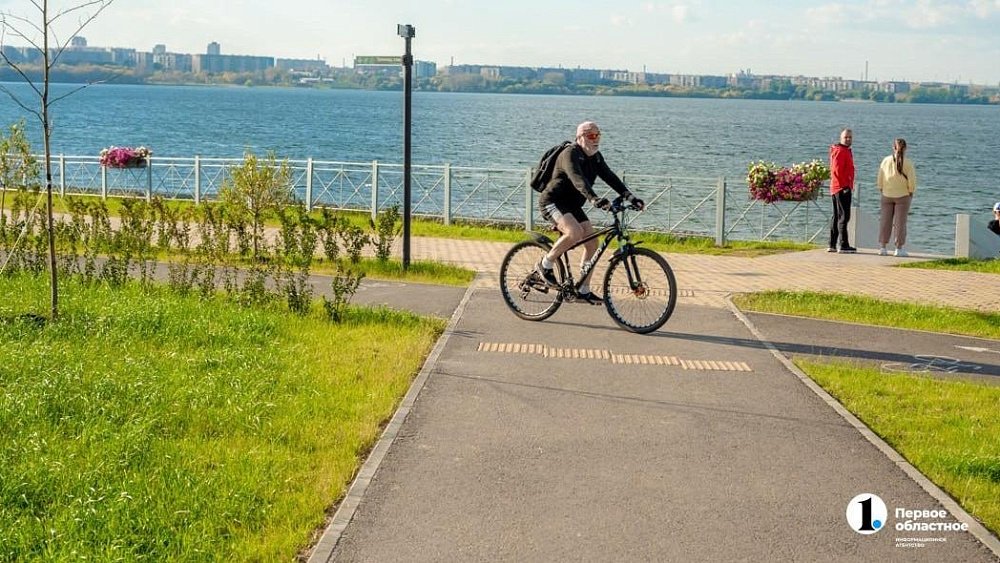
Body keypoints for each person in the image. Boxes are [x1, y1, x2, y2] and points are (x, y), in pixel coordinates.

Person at [535, 121, 644, 304]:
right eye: (591, 136)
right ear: (580, 137)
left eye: (598, 135)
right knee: (574, 233)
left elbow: (610, 177)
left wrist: (631, 197)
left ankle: (583, 290)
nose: (596, 139)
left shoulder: (596, 157)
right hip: (552, 202)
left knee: (593, 243)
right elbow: (578, 180)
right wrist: (594, 199)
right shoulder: (569, 154)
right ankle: (545, 264)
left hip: (572, 206)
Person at [875, 138, 917, 257]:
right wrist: (911, 192)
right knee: (900, 222)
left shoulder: (885, 161)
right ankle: (898, 248)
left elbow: (880, 178)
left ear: (893, 148)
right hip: (903, 195)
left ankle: (883, 247)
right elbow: (912, 182)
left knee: (885, 221)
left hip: (887, 194)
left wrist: (882, 189)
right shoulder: (908, 163)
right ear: (906, 149)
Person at [828, 128, 856, 253]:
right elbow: (836, 170)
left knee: (837, 216)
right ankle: (843, 244)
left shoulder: (844, 150)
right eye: (846, 137)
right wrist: (845, 186)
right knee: (844, 216)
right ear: (841, 138)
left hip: (838, 187)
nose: (848, 139)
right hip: (841, 188)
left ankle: (832, 244)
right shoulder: (840, 151)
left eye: (850, 137)